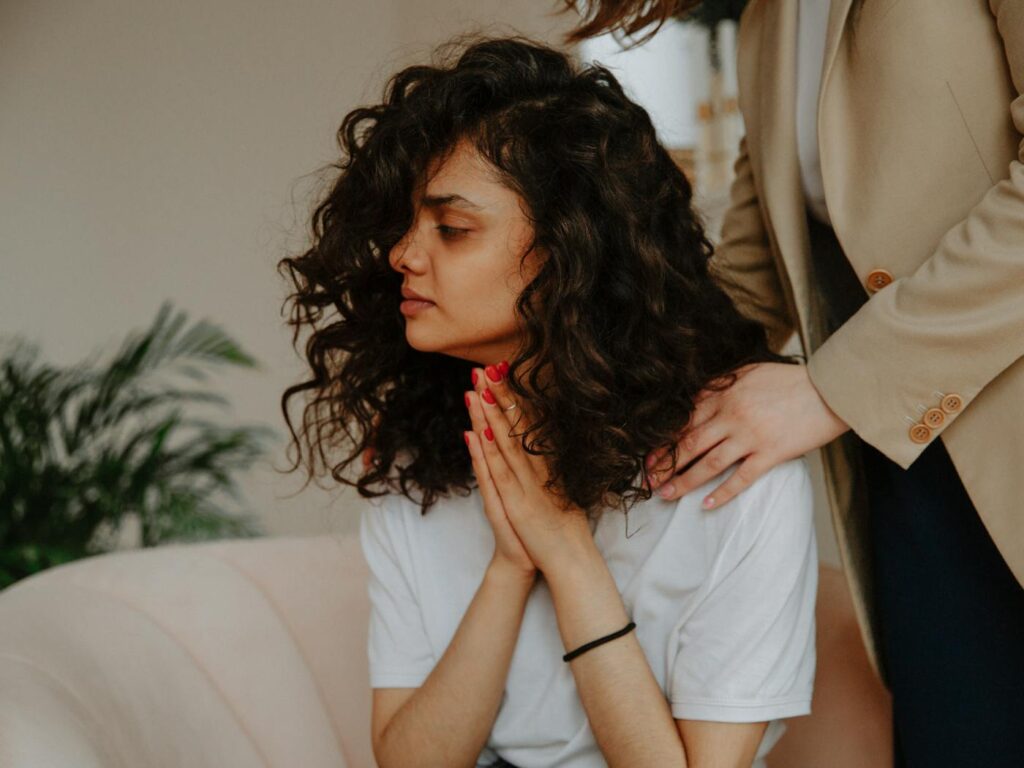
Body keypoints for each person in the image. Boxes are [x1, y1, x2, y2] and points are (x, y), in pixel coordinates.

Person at [278, 35, 819, 768]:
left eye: (452, 229)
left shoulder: (733, 471)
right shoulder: (415, 458)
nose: (403, 254)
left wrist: (565, 551)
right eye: (405, 225)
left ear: (572, 249)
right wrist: (510, 567)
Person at [561, 1, 1024, 765]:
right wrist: (563, 382)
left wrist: (829, 388)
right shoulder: (769, 22)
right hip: (912, 466)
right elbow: (754, 270)